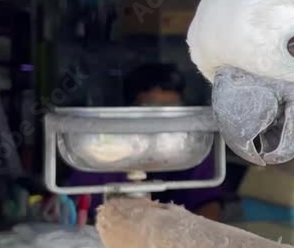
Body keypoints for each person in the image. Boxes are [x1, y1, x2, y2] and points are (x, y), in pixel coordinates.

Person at [67, 63, 225, 220]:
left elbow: (209, 205)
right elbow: (77, 209)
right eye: (152, 109)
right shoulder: (104, 155)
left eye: (171, 109)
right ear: (130, 109)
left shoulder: (192, 154)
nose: (162, 122)